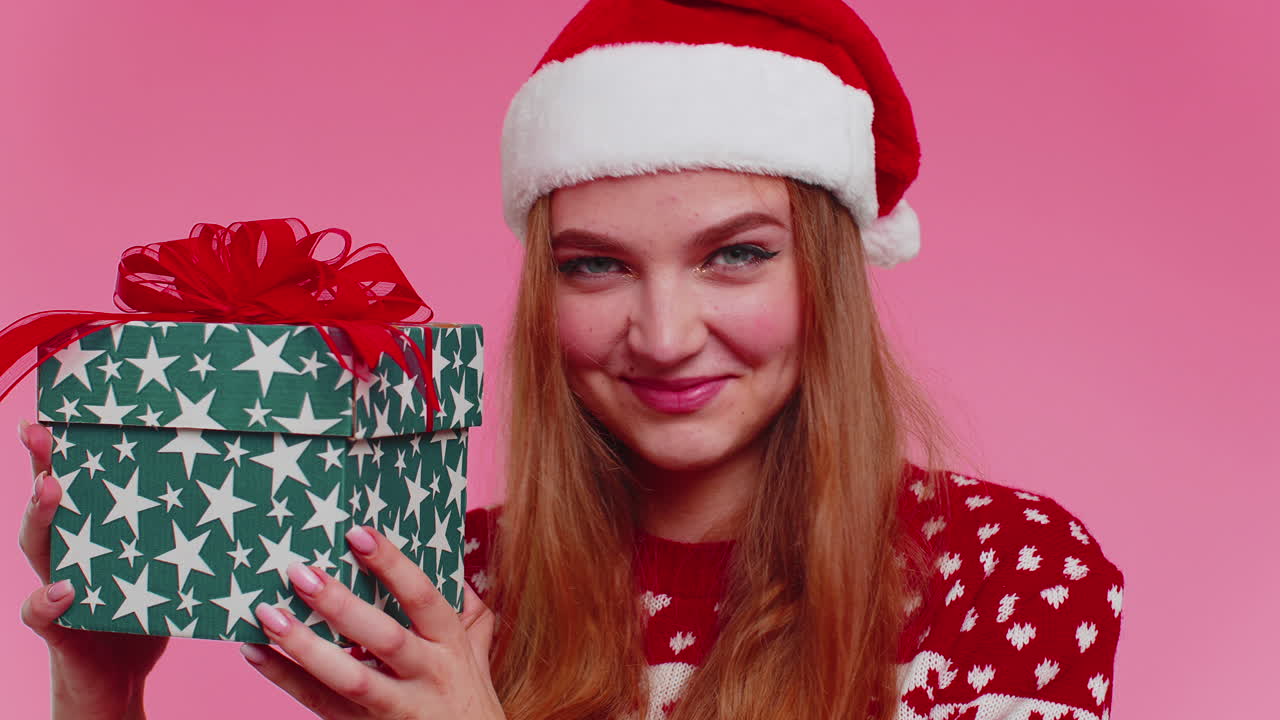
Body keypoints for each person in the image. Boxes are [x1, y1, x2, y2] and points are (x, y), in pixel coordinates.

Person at [16, 1, 1125, 718]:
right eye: (595, 268)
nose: (661, 333)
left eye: (733, 257)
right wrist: (97, 689)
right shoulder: (437, 584)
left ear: (826, 276)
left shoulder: (1006, 576)